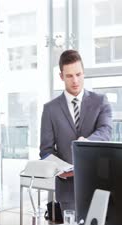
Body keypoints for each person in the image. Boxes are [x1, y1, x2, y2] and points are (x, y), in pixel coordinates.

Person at [40, 49, 112, 211]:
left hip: (99, 184)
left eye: (79, 74)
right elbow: (45, 150)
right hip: (67, 190)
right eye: (69, 76)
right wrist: (60, 170)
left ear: (83, 73)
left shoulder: (100, 101)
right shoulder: (50, 109)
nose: (75, 80)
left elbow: (106, 131)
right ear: (61, 77)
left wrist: (87, 142)